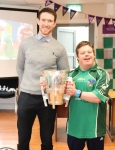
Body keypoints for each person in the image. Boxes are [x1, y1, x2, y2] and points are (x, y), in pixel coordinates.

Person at [16, 7, 69, 150]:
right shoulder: (26, 43)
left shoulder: (59, 48)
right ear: (38, 21)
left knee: (47, 140)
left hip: (48, 100)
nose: (46, 23)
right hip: (26, 97)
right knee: (23, 138)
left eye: (50, 21)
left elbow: (64, 73)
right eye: (44, 20)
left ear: (54, 24)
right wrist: (25, 85)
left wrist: (52, 84)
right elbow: (20, 67)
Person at [65, 41, 110, 150]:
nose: (87, 54)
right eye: (83, 53)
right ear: (77, 57)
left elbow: (98, 97)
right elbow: (62, 97)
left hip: (95, 130)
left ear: (94, 55)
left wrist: (76, 92)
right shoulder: (70, 75)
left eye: (89, 52)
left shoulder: (102, 74)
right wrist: (47, 85)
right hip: (74, 129)